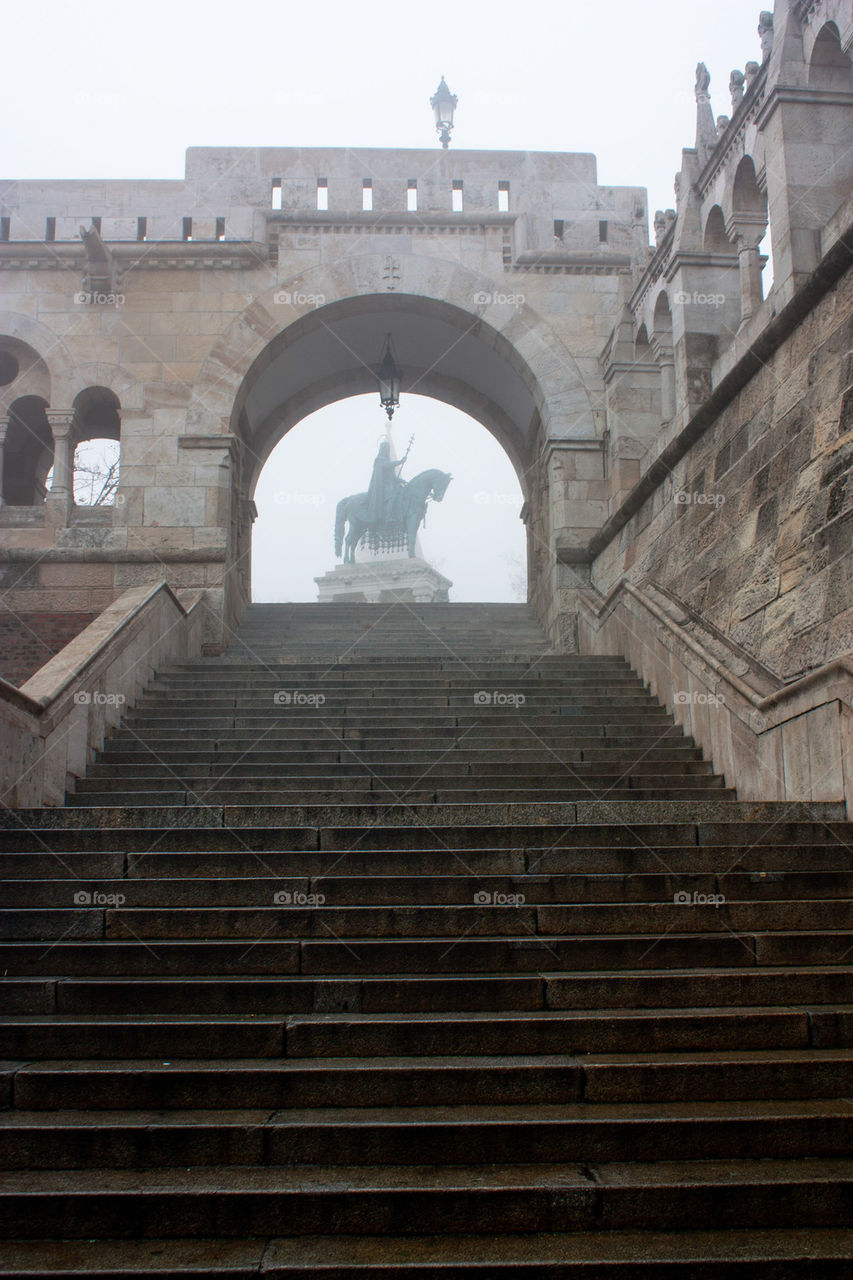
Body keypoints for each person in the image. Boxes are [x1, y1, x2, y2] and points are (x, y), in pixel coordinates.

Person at [366, 440, 406, 525]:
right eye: (385, 449)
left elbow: (393, 477)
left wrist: (401, 480)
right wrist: (400, 462)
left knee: (401, 492)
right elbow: (387, 465)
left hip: (390, 484)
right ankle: (388, 516)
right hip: (382, 485)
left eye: (387, 449)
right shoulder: (379, 460)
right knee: (393, 495)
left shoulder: (387, 461)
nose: (387, 451)